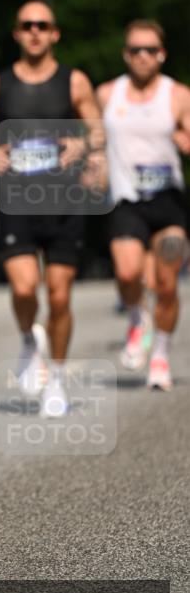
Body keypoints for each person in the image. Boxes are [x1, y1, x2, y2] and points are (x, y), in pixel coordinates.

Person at [0, 0, 105, 417]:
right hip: (16, 198)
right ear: (17, 33)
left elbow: (97, 129)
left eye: (42, 25)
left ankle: (57, 378)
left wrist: (84, 145)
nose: (34, 31)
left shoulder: (75, 81)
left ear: (55, 34)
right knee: (26, 287)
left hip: (65, 200)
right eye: (27, 25)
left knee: (61, 296)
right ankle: (30, 340)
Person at [98, 19, 189, 390]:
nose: (142, 57)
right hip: (125, 199)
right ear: (125, 54)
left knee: (166, 283)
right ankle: (138, 319)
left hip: (167, 201)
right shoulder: (107, 94)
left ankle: (161, 356)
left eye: (150, 50)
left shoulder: (178, 95)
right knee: (127, 273)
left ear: (162, 55)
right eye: (135, 49)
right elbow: (89, 135)